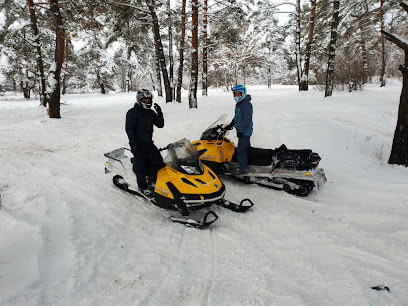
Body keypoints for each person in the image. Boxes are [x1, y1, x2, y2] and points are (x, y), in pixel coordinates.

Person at [125, 89, 164, 196]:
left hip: (149, 143)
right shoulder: (132, 113)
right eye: (145, 100)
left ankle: (154, 180)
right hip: (137, 144)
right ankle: (142, 187)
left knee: (159, 161)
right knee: (140, 165)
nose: (147, 102)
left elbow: (160, 125)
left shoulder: (150, 113)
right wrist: (133, 144)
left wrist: (159, 113)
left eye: (149, 100)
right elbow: (129, 129)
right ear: (139, 100)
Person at [224, 84, 253, 174]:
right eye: (235, 94)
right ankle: (251, 163)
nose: (237, 96)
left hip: (245, 131)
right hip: (241, 130)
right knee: (246, 149)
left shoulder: (246, 104)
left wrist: (241, 130)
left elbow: (246, 119)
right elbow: (238, 117)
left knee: (241, 150)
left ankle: (243, 169)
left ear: (243, 93)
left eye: (238, 94)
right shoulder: (239, 104)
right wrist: (231, 123)